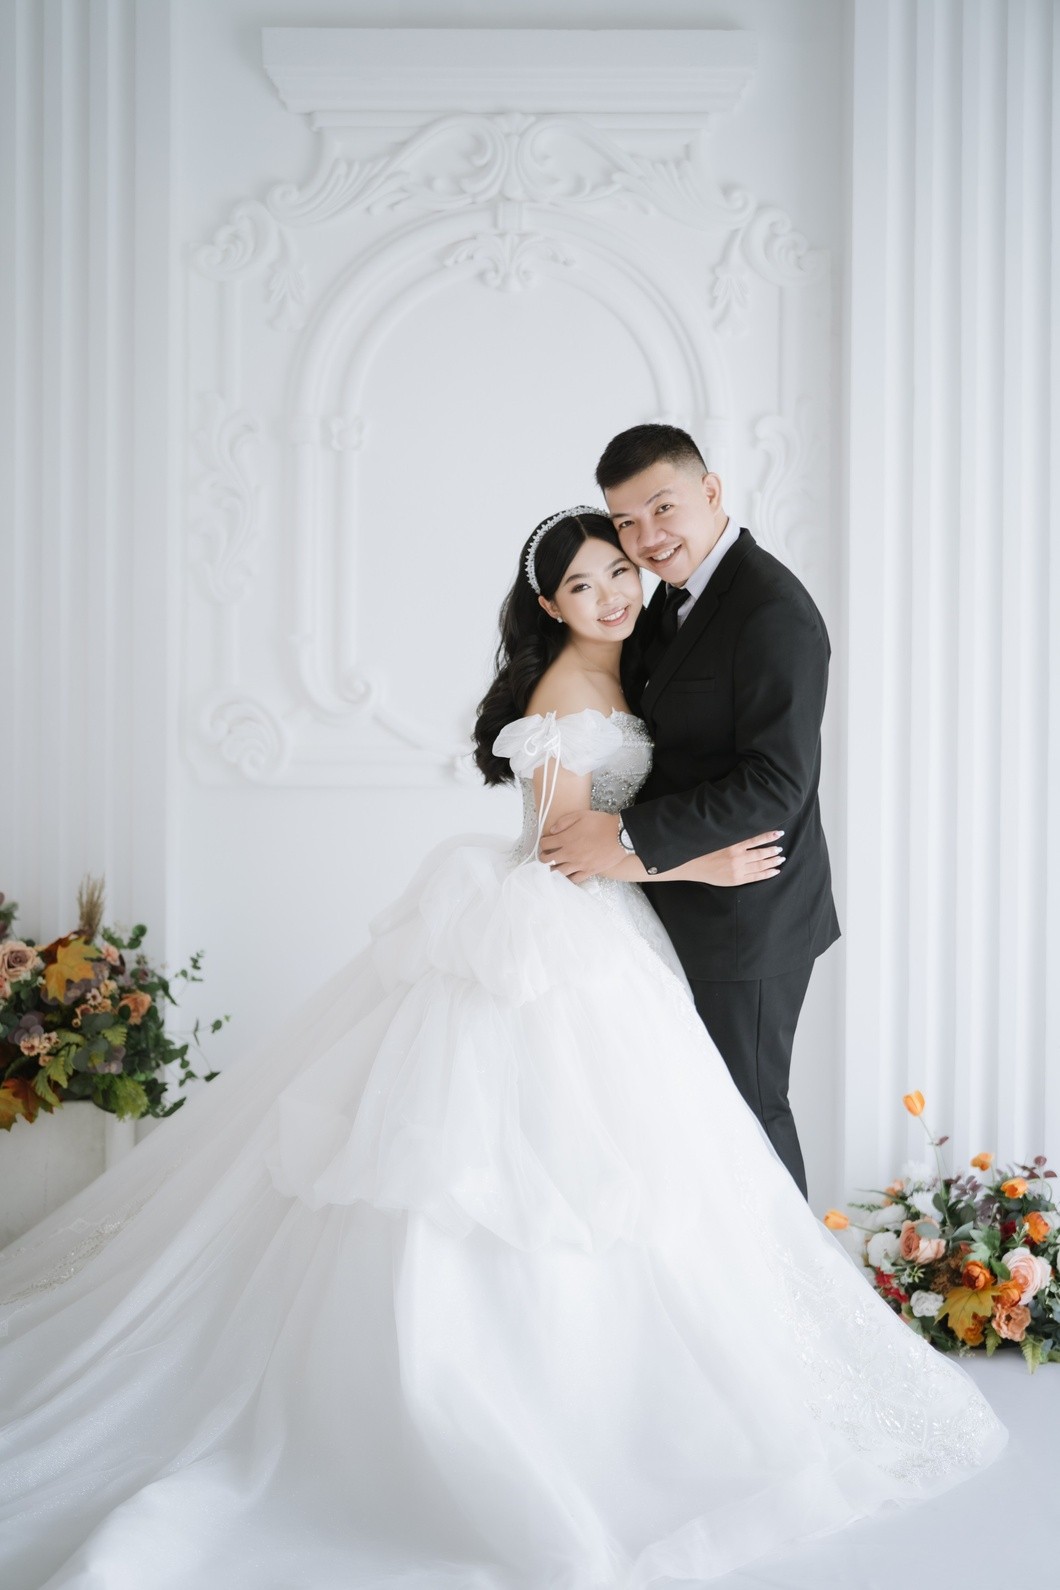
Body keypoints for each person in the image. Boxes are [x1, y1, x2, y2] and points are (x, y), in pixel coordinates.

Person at [0, 510, 1003, 1590]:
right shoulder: (564, 696)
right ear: (548, 606)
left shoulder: (637, 664)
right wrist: (700, 868)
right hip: (558, 929)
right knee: (532, 1165)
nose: (612, 596)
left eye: (618, 572)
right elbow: (562, 852)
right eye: (584, 587)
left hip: (614, 933)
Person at [543, 425, 839, 1197]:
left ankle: (789, 1276)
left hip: (750, 910)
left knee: (749, 1114)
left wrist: (623, 835)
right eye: (627, 522)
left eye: (663, 508)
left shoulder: (770, 610)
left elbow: (776, 784)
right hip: (677, 896)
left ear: (711, 492)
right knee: (689, 1122)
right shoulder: (672, 600)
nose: (647, 537)